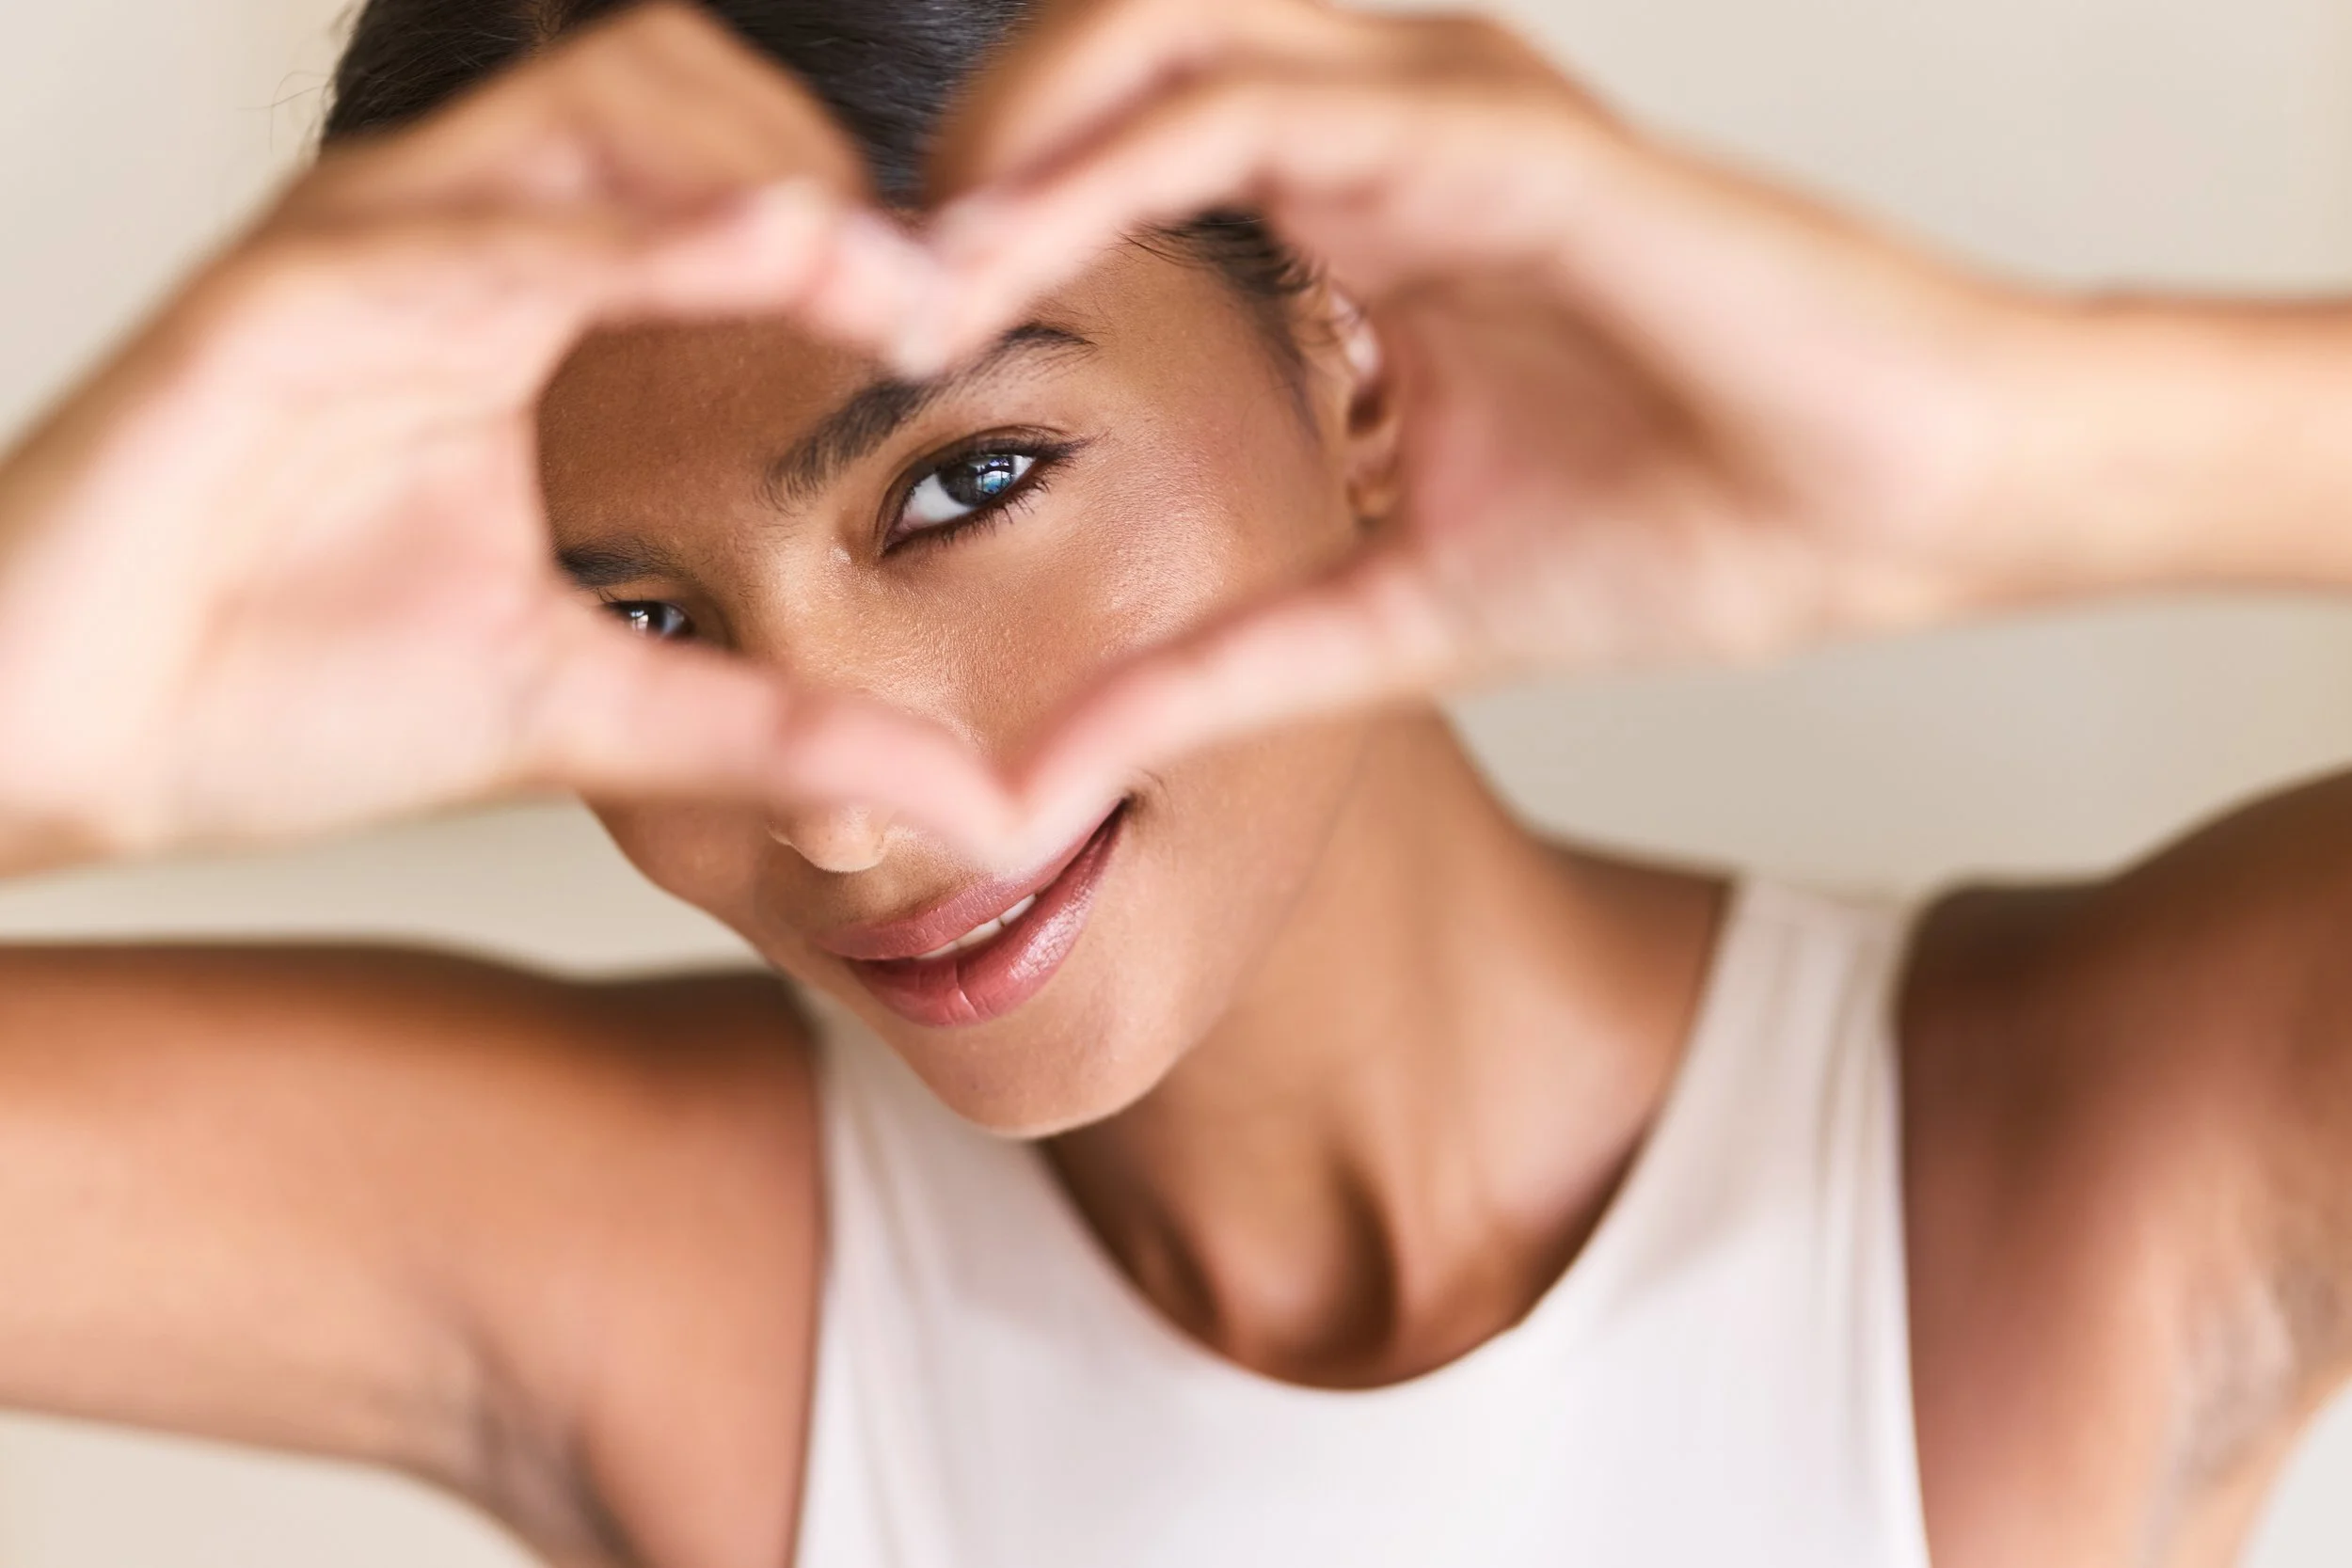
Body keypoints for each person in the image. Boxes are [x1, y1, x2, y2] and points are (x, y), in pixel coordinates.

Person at [3, 0, 2352, 1563]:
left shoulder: (2083, 1162)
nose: (843, 807)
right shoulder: (659, 1260)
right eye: (637, 612)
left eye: (962, 483)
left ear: (1335, 338)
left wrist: (2027, 451)